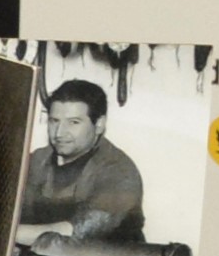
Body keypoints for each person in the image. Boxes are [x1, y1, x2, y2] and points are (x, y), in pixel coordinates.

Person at [17, 78, 150, 245]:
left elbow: (77, 232)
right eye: (54, 121)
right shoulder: (37, 160)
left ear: (99, 124)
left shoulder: (119, 172)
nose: (59, 133)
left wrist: (9, 233)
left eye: (74, 122)